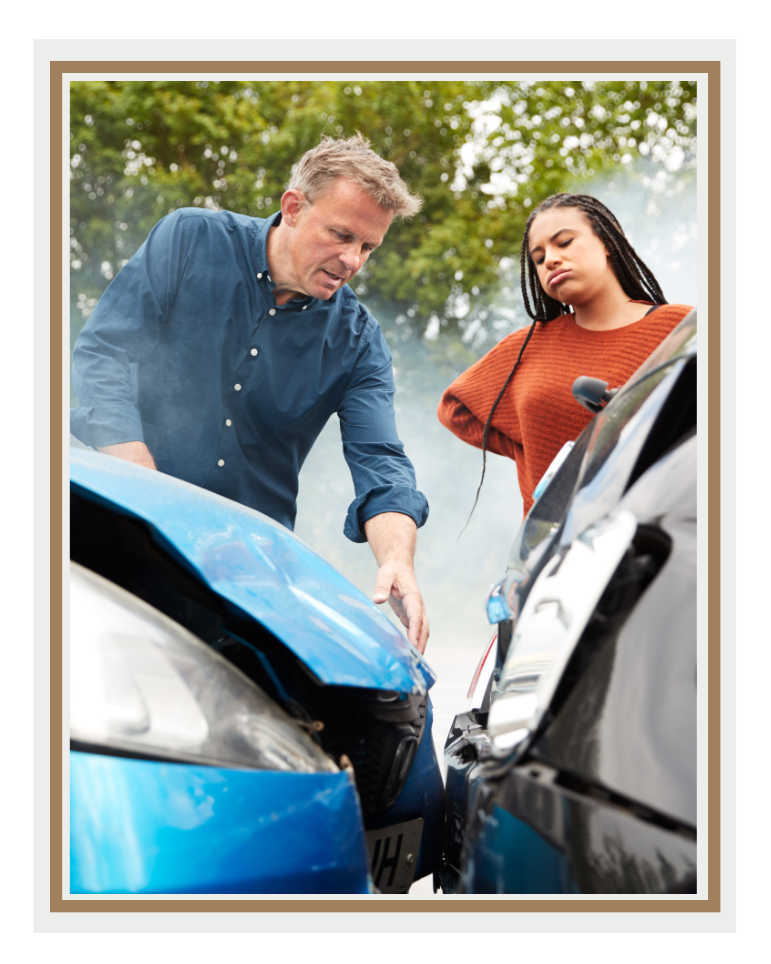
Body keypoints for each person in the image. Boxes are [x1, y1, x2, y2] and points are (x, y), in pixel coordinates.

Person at [71, 134, 430, 652]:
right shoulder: (189, 238)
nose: (352, 260)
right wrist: (147, 493)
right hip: (120, 530)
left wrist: (396, 560)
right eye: (341, 235)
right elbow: (105, 350)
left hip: (244, 575)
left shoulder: (358, 341)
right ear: (293, 206)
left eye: (368, 247)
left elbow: (381, 462)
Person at [437, 192, 694, 520]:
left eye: (564, 242)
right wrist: (532, 448)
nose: (551, 261)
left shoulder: (681, 328)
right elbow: (455, 409)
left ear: (608, 241)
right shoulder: (529, 345)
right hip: (554, 550)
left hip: (661, 536)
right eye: (539, 258)